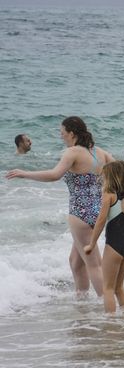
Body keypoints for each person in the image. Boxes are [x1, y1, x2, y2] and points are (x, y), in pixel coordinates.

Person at [5, 116, 112, 296]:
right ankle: (82, 301)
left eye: (62, 133)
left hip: (80, 213)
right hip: (98, 211)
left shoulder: (72, 152)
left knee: (94, 264)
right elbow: (120, 168)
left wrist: (25, 173)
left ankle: (110, 308)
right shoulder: (99, 152)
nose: (61, 136)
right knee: (75, 262)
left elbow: (55, 175)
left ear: (71, 133)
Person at [83, 161, 124, 314]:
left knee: (108, 289)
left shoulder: (109, 196)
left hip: (114, 245)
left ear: (111, 178)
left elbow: (100, 221)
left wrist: (91, 244)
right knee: (119, 287)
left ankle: (111, 324)